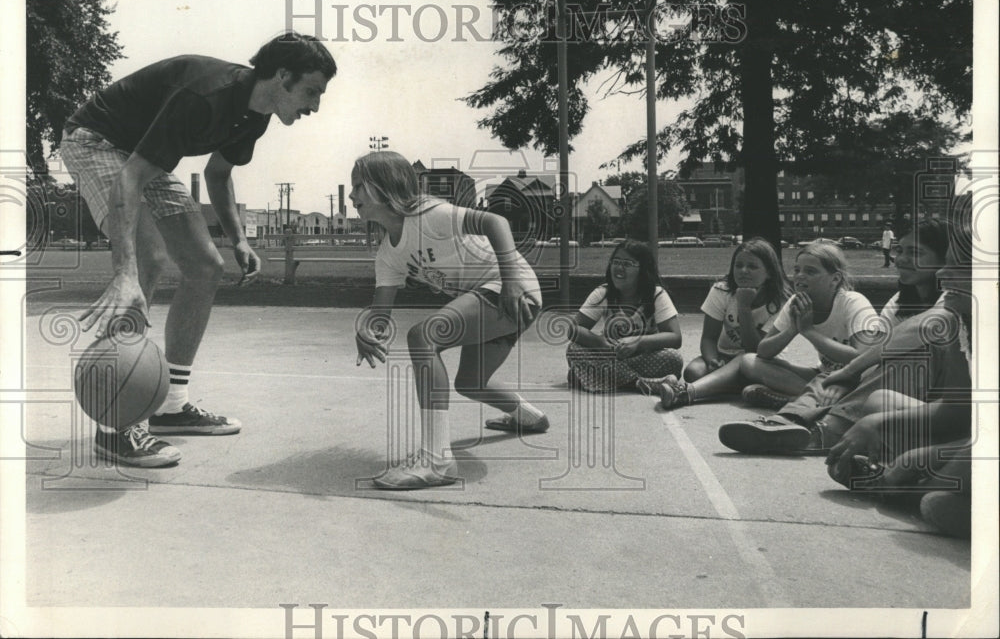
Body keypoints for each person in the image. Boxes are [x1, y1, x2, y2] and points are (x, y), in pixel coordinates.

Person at [60, 32, 337, 467]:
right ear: (282, 75)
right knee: (147, 260)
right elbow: (130, 179)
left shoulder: (256, 114)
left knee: (207, 267)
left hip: (139, 156)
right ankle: (116, 425)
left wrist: (239, 238)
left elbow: (219, 175)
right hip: (95, 140)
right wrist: (124, 272)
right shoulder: (207, 96)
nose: (315, 106)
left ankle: (171, 405)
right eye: (312, 91)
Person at [351, 151, 548, 490]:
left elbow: (495, 222)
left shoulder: (430, 215)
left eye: (358, 187)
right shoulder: (388, 253)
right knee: (470, 383)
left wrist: (512, 282)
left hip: (511, 288)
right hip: (492, 296)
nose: (352, 196)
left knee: (423, 336)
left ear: (384, 188)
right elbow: (380, 315)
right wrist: (366, 330)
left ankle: (437, 461)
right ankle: (531, 418)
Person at [717, 220, 951, 454]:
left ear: (944, 259)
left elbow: (883, 348)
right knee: (772, 365)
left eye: (916, 252)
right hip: (872, 380)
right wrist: (797, 330)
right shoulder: (899, 302)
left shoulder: (952, 296)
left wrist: (845, 372)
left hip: (934, 390)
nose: (901, 259)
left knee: (907, 358)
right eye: (900, 250)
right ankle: (787, 421)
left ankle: (822, 429)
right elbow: (875, 354)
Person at [825, 208, 973, 537]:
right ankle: (920, 486)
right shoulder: (963, 323)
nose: (944, 276)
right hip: (970, 433)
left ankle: (902, 488)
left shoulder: (952, 317)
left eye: (956, 267)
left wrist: (919, 458)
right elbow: (957, 412)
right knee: (880, 402)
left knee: (945, 490)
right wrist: (875, 421)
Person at [638, 238, 790, 409]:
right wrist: (712, 360)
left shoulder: (780, 302)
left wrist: (744, 307)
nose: (743, 271)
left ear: (769, 272)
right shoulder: (721, 290)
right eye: (738, 265)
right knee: (693, 372)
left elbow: (754, 350)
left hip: (761, 361)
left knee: (743, 359)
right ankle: (742, 388)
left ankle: (687, 393)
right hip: (724, 354)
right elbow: (709, 338)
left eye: (752, 267)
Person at [565, 240, 683, 393]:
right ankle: (643, 383)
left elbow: (675, 337)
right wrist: (602, 343)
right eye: (616, 262)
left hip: (644, 358)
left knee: (674, 359)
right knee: (574, 349)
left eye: (627, 264)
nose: (619, 268)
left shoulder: (656, 294)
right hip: (609, 357)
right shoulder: (603, 293)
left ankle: (596, 377)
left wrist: (638, 342)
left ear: (643, 270)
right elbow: (573, 330)